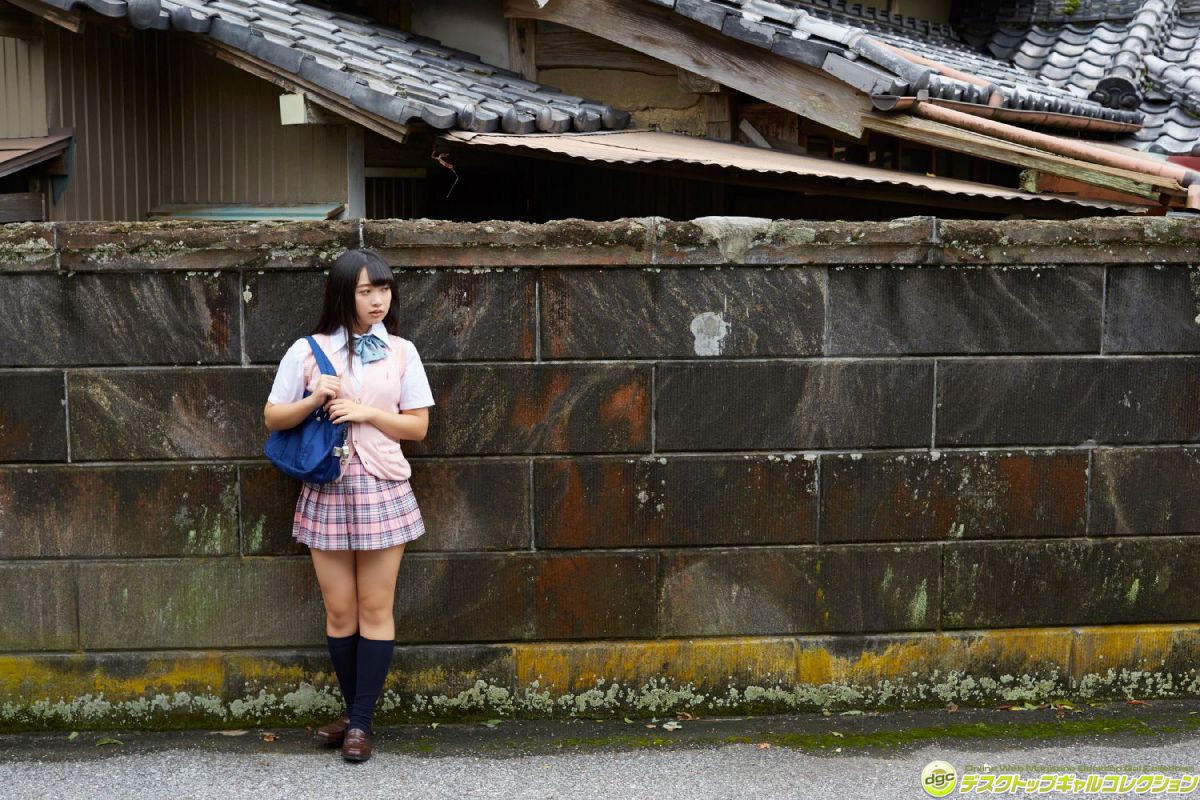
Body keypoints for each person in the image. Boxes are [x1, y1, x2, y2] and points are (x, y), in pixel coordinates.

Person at [262, 248, 434, 763]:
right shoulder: (308, 351)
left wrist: (362, 411)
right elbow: (273, 418)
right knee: (340, 611)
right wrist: (316, 397)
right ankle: (354, 711)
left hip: (383, 486)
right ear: (344, 294)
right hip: (327, 487)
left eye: (384, 290)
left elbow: (418, 426)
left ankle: (359, 723)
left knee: (375, 608)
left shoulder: (402, 351)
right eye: (366, 291)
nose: (378, 300)